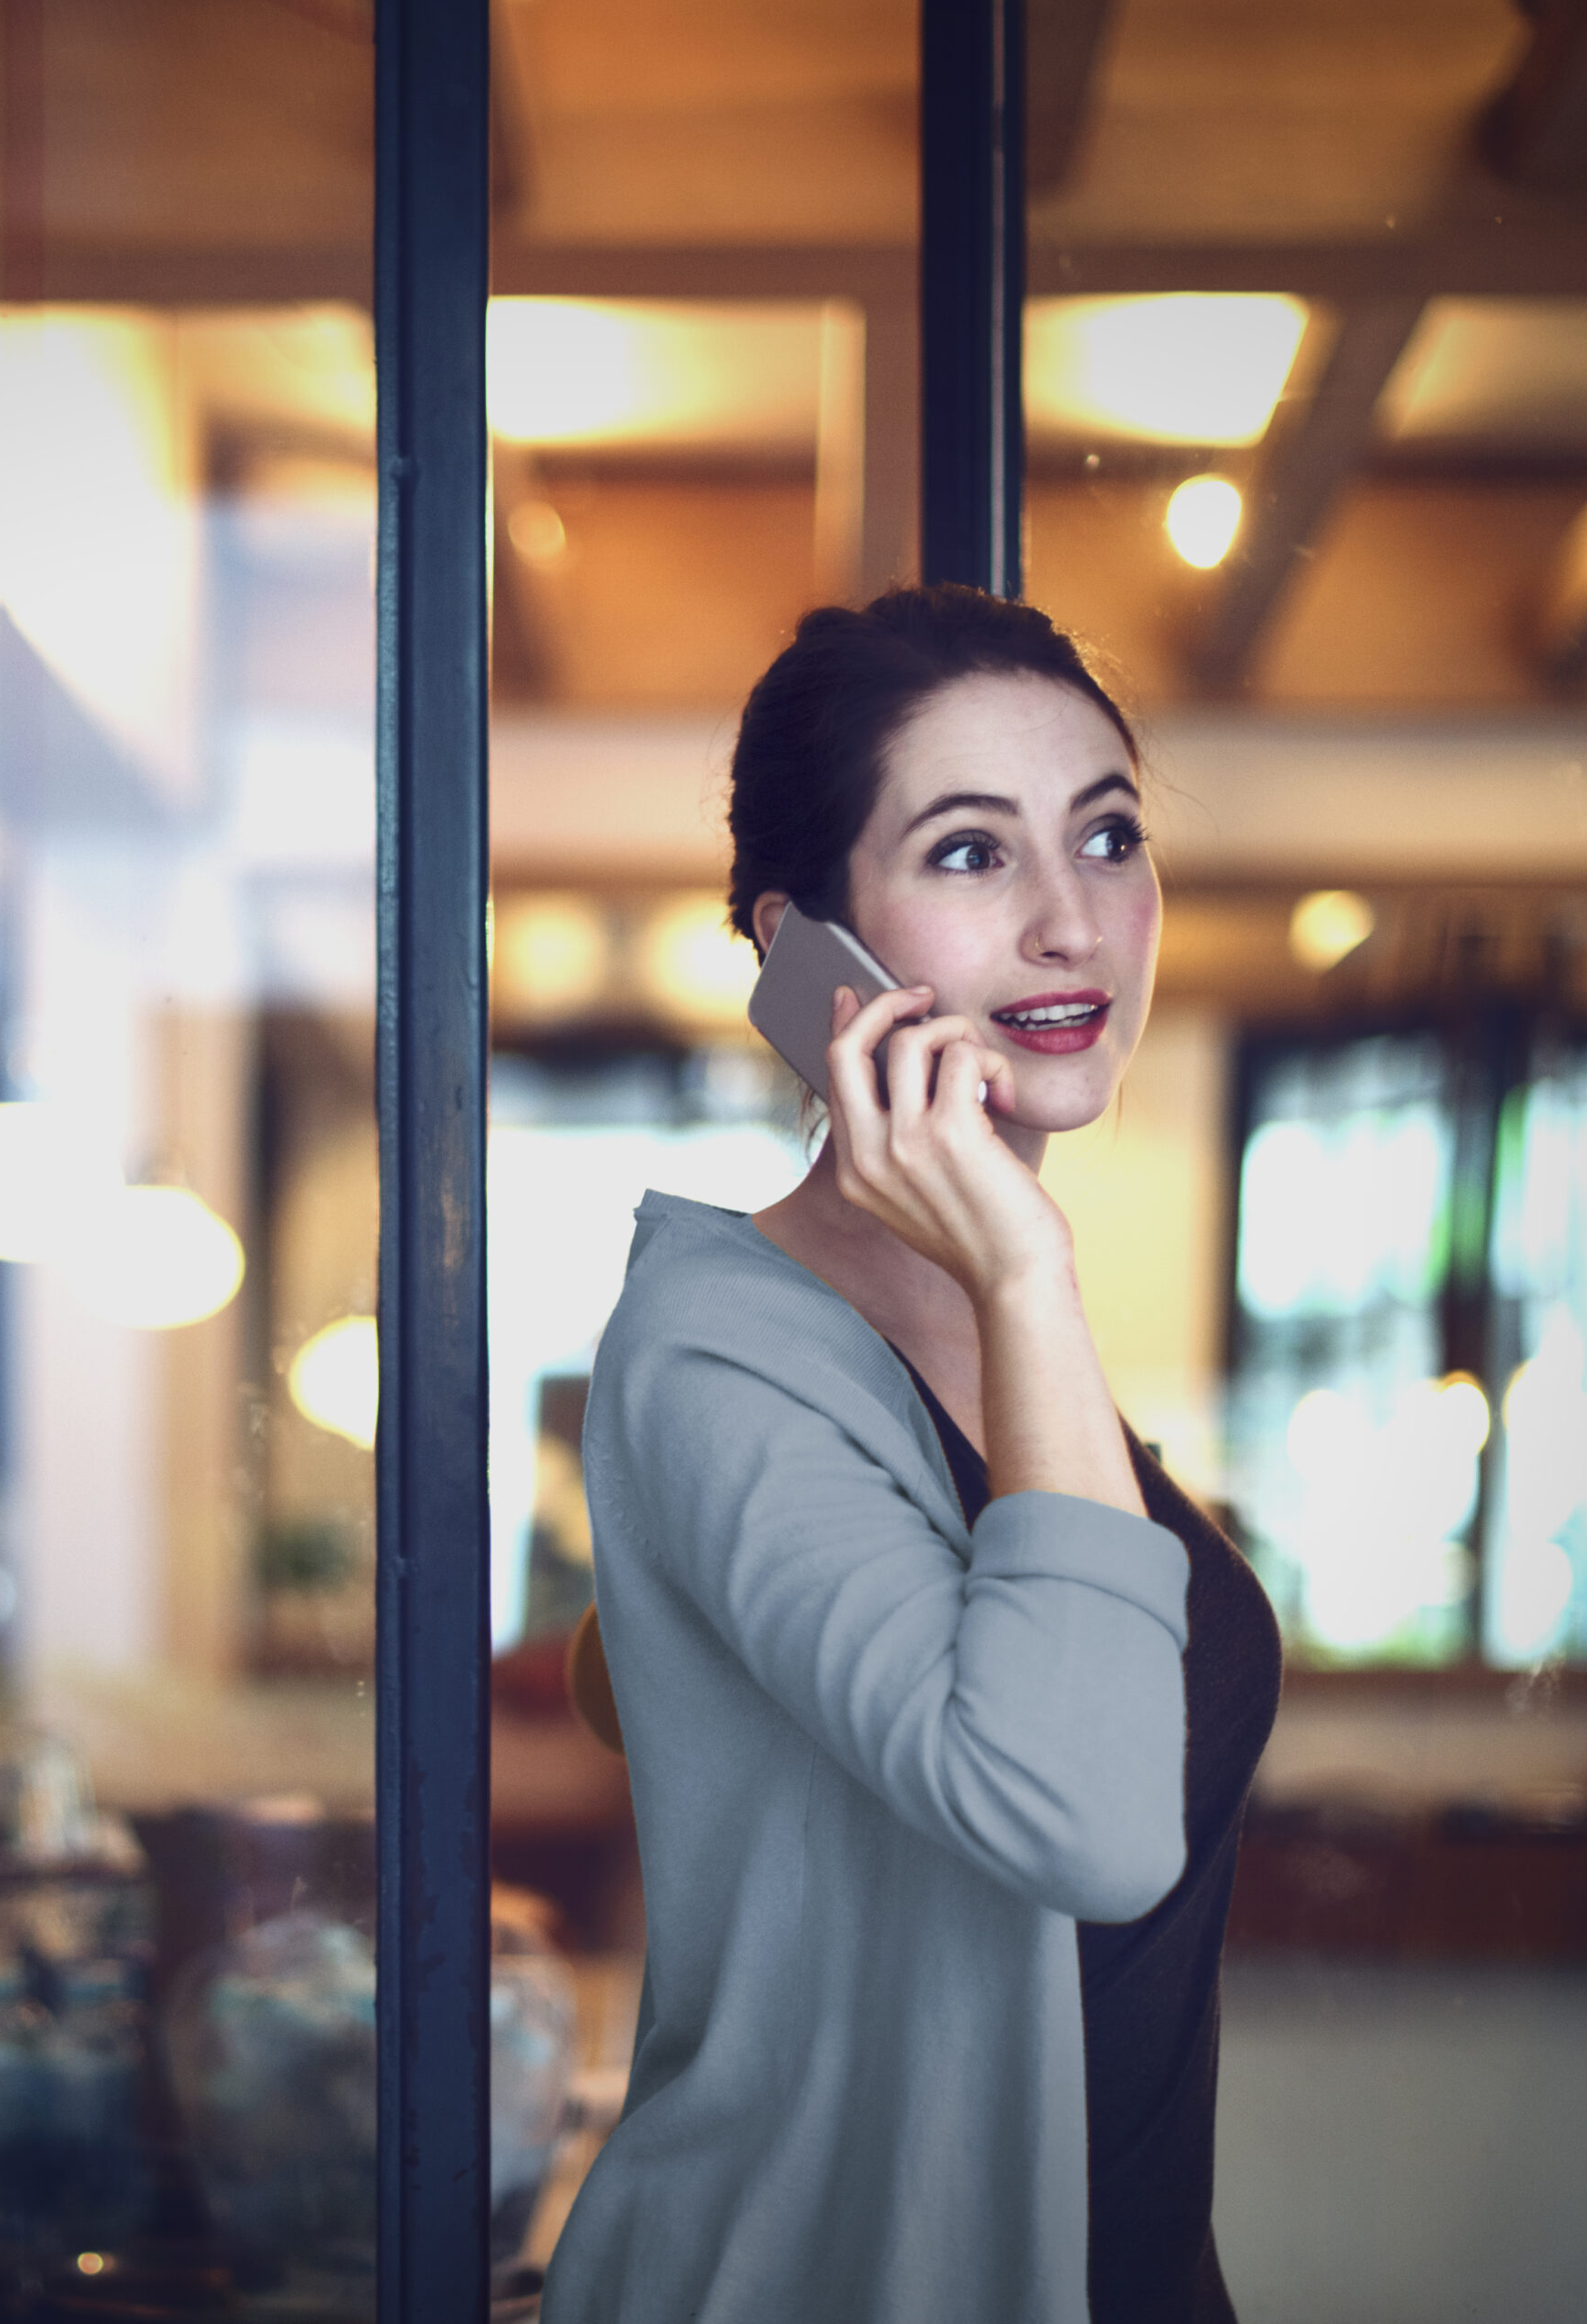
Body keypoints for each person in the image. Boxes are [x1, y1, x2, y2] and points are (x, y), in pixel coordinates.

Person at [540, 586, 1282, 2324]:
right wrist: (1024, 1266)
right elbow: (1083, 1828)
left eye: (1107, 837)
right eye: (968, 854)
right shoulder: (717, 1348)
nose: (1069, 923)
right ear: (806, 948)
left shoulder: (1037, 1369)